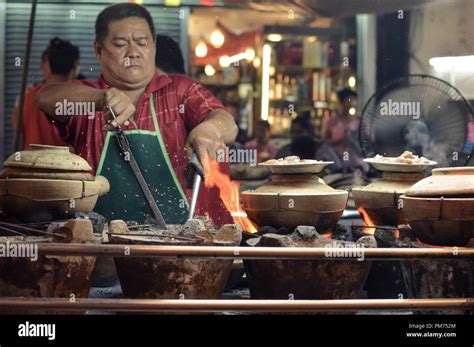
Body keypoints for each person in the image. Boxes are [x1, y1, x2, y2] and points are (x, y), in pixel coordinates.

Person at [36, 3, 238, 226]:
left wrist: (210, 129)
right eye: (121, 44)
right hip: (103, 245)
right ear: (98, 50)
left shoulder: (180, 91)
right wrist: (100, 99)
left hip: (176, 242)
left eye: (142, 43)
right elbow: (45, 98)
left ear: (153, 46)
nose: (133, 52)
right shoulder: (87, 98)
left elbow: (225, 121)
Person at [13, 37, 80, 149]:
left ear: (50, 65)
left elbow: (18, 141)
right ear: (74, 66)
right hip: (68, 164)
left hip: (32, 164)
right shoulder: (82, 98)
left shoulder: (28, 97)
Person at [277, 114, 343, 173]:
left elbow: (338, 171)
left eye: (300, 132)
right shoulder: (285, 152)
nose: (295, 136)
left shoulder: (324, 150)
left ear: (310, 133)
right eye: (292, 132)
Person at [325, 88, 364, 171]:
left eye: (354, 100)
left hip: (356, 163)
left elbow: (366, 141)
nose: (352, 103)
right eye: (349, 100)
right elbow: (325, 142)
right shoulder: (332, 121)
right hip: (336, 164)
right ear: (342, 102)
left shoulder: (358, 120)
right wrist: (342, 139)